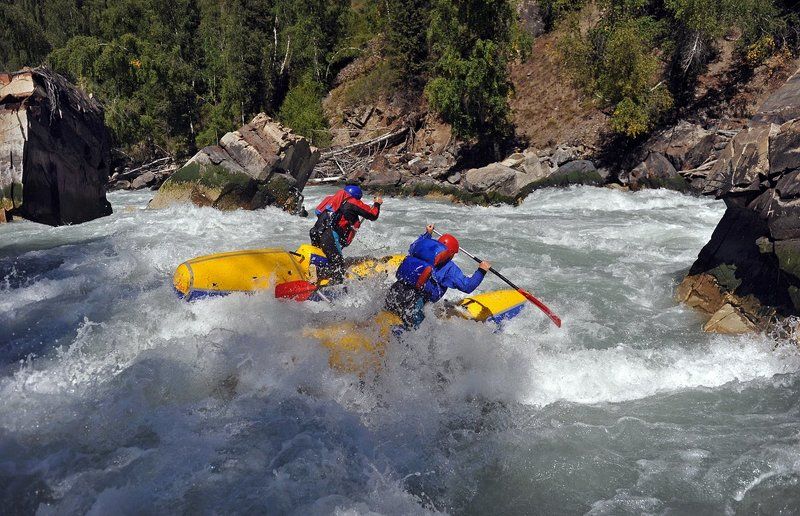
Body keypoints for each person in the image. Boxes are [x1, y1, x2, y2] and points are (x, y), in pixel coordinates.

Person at [385, 224, 491, 328]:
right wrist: (481, 270)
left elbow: (420, 243)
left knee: (386, 315)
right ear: (450, 253)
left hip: (395, 290)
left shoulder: (417, 253)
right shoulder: (448, 268)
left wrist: (428, 234)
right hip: (415, 302)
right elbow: (468, 287)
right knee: (413, 332)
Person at [309, 184, 383, 283]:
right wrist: (377, 204)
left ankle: (314, 270)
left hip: (316, 232)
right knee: (339, 268)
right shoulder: (352, 202)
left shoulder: (330, 200)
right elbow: (373, 215)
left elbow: (318, 212)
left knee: (325, 258)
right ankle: (320, 273)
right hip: (330, 236)